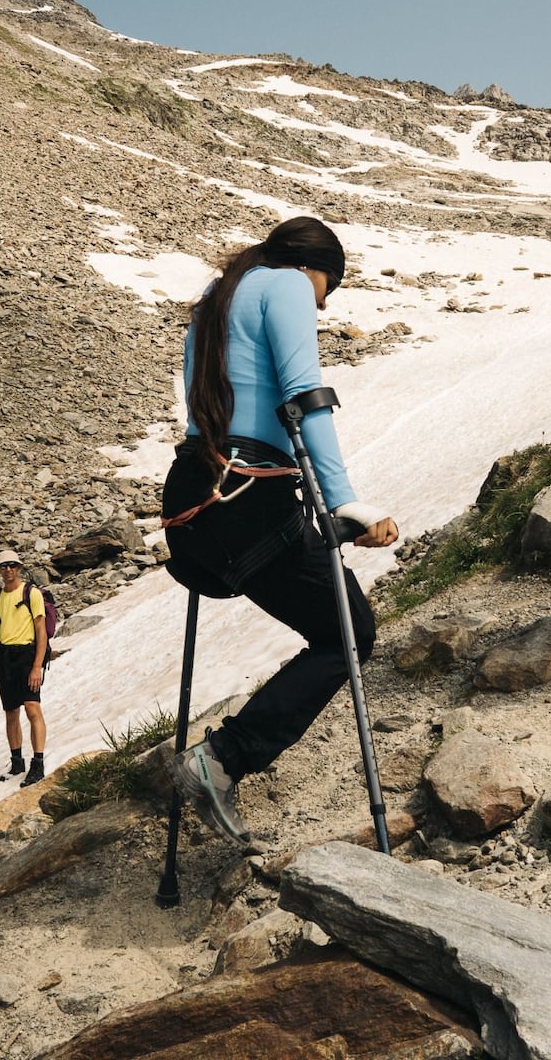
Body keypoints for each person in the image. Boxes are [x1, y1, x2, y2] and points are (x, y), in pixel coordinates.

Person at [162, 215, 399, 845]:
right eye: (330, 291)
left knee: (328, 616)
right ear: (315, 269)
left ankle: (216, 763)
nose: (322, 306)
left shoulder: (215, 298)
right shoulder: (289, 285)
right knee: (347, 633)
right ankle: (222, 759)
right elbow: (304, 399)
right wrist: (346, 505)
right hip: (249, 498)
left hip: (194, 498)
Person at [0, 549, 48, 785]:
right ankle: (17, 761)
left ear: (19, 567)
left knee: (32, 707)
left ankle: (38, 763)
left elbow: (41, 632)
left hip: (27, 655)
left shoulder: (31, 593)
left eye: (12, 565)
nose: (8, 569)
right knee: (11, 712)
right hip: (6, 658)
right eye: (3, 566)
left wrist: (37, 666)